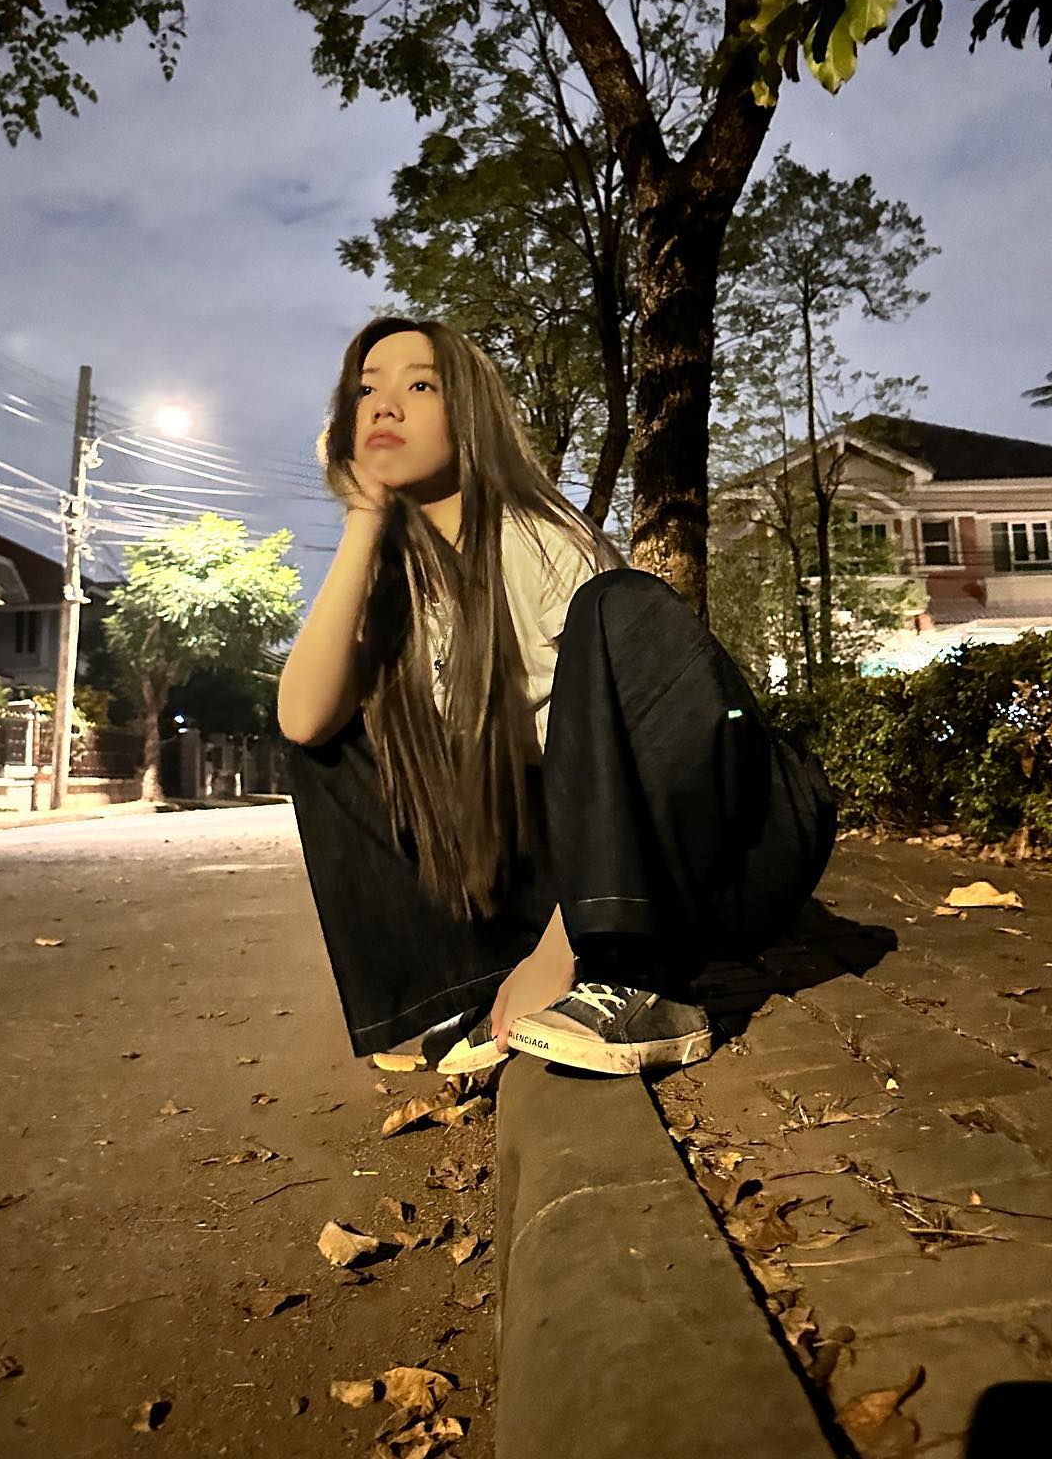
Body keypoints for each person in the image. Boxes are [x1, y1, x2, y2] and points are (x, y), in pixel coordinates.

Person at [278, 315, 766, 1077]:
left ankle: (637, 977)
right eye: (366, 391)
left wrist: (560, 951)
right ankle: (473, 985)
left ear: (468, 414)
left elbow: (644, 752)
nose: (383, 405)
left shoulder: (540, 542)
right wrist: (364, 520)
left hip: (685, 849)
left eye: (420, 386)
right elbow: (302, 718)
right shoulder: (401, 592)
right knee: (325, 737)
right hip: (564, 858)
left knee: (618, 608)